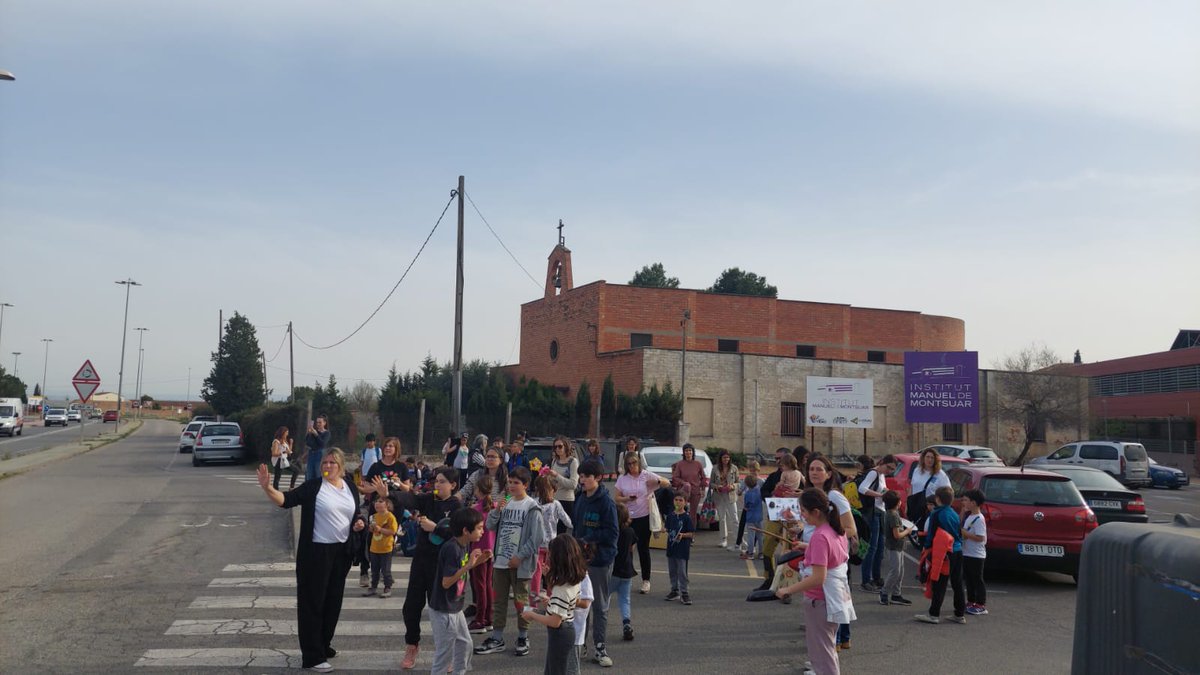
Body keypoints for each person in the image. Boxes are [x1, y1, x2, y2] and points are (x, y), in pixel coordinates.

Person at [255, 449, 365, 673]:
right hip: (316, 553)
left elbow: (355, 512)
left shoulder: (349, 487)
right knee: (312, 604)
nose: (327, 466)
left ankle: (323, 644)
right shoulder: (314, 487)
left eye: (332, 462)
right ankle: (312, 657)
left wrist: (359, 522)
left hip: (341, 553)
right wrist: (268, 488)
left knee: (333, 602)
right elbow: (286, 500)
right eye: (325, 462)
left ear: (341, 466)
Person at [383, 466, 463, 670]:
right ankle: (412, 645)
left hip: (442, 564)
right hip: (421, 560)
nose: (438, 485)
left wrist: (435, 528)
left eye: (442, 482)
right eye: (436, 481)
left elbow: (459, 535)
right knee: (411, 607)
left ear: (453, 485)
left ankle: (446, 652)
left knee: (441, 611)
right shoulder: (428, 499)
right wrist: (389, 494)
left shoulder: (457, 506)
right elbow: (410, 498)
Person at [775, 488, 853, 675]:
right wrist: (807, 546)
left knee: (822, 649)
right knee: (826, 646)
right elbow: (831, 553)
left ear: (816, 512)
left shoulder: (819, 536)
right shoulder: (836, 529)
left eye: (803, 511)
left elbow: (819, 577)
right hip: (835, 596)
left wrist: (788, 590)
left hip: (820, 599)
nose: (801, 515)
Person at [476, 467, 545, 658]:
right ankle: (497, 637)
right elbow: (489, 525)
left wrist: (520, 557)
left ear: (525, 485)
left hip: (520, 564)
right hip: (501, 562)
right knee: (499, 601)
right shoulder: (505, 503)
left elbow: (536, 538)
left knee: (521, 601)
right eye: (510, 482)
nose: (512, 486)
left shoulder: (532, 507)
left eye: (516, 483)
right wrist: (497, 510)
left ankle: (523, 636)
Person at [805, 454, 858, 652]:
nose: (814, 473)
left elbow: (850, 529)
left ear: (828, 474)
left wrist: (826, 539)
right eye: (811, 469)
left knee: (833, 599)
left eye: (819, 469)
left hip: (832, 557)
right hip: (815, 553)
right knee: (831, 599)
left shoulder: (835, 497)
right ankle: (842, 639)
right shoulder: (811, 495)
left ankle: (835, 642)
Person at [429, 506, 491, 675]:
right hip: (444, 609)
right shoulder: (452, 549)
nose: (482, 532)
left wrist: (480, 561)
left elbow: (462, 567)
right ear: (465, 530)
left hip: (454, 606)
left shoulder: (464, 544)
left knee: (465, 644)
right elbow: (446, 582)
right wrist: (469, 566)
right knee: (444, 655)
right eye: (479, 528)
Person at [573, 460, 619, 668]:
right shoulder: (580, 498)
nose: (582, 480)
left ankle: (600, 647)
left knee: (599, 606)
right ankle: (580, 643)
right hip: (581, 560)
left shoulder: (606, 503)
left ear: (598, 478)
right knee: (581, 604)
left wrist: (588, 539)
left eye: (586, 476)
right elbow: (576, 527)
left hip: (600, 561)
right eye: (581, 476)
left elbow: (612, 533)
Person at [522, 534, 587, 675]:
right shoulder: (572, 581)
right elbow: (571, 602)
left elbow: (554, 622)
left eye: (550, 555)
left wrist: (532, 615)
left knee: (555, 670)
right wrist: (550, 597)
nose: (548, 558)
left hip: (560, 634)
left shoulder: (560, 590)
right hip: (567, 630)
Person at [614, 452, 670, 595]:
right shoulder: (623, 478)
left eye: (634, 463)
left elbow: (666, 483)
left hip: (644, 516)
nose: (632, 466)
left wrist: (657, 482)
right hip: (628, 518)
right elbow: (616, 497)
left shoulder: (646, 475)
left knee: (643, 548)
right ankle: (626, 576)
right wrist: (627, 498)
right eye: (629, 464)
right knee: (626, 548)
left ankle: (646, 580)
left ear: (638, 463)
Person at [359, 437, 410, 586]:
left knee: (389, 539)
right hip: (377, 507)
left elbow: (407, 488)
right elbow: (365, 488)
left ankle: (384, 571)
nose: (388, 448)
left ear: (396, 449)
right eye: (386, 446)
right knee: (371, 537)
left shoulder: (401, 467)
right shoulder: (376, 467)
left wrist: (398, 483)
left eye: (391, 446)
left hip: (395, 508)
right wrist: (377, 488)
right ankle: (364, 571)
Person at [915, 486, 966, 625]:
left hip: (944, 551)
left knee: (939, 583)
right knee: (957, 583)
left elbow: (932, 534)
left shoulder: (936, 513)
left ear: (937, 499)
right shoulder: (954, 513)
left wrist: (926, 548)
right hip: (957, 550)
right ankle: (959, 614)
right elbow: (959, 532)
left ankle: (934, 614)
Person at [754, 448, 794, 590]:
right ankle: (769, 579)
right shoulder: (773, 476)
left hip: (792, 521)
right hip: (774, 517)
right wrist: (772, 497)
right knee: (767, 547)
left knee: (790, 550)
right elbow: (763, 491)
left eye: (780, 459)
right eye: (776, 459)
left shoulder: (797, 475)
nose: (778, 462)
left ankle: (788, 582)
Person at [531, 474, 573, 597]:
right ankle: (551, 599)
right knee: (551, 572)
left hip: (536, 544)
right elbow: (568, 522)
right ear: (554, 490)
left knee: (536, 573)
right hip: (552, 545)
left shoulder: (533, 503)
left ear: (537, 489)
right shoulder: (556, 504)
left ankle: (533, 601)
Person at [858, 454, 895, 592]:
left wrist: (886, 493)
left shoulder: (881, 475)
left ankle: (876, 578)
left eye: (892, 469)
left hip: (880, 511)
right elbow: (862, 488)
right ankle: (866, 581)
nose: (889, 471)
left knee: (879, 548)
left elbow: (881, 489)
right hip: (872, 512)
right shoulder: (873, 473)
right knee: (871, 548)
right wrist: (880, 495)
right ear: (882, 462)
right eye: (888, 467)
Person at [467, 476, 497, 634]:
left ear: (478, 489)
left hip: (478, 550)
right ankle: (488, 618)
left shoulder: (476, 509)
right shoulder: (495, 506)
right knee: (487, 585)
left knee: (479, 586)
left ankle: (480, 620)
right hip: (491, 549)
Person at [879, 490, 914, 606]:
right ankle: (884, 592)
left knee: (900, 571)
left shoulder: (890, 513)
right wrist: (907, 531)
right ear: (897, 503)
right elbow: (897, 535)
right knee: (895, 571)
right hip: (894, 547)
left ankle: (896, 594)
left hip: (897, 546)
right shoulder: (893, 515)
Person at [663, 490, 695, 605]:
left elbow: (691, 533)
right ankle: (674, 590)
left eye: (680, 500)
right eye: (676, 500)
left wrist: (683, 535)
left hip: (682, 549)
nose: (678, 502)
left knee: (682, 572)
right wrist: (662, 530)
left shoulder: (686, 517)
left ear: (685, 502)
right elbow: (667, 528)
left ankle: (684, 592)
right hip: (671, 548)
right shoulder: (671, 516)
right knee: (672, 570)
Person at [611, 503, 637, 640]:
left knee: (605, 596)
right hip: (627, 570)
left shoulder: (612, 531)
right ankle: (626, 623)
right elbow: (632, 548)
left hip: (613, 570)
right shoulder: (630, 532)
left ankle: (601, 618)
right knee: (625, 599)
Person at [363, 495, 398, 598]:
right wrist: (371, 528)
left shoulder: (390, 517)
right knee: (374, 570)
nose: (377, 504)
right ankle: (373, 587)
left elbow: (393, 531)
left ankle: (387, 587)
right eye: (376, 502)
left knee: (385, 570)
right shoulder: (373, 516)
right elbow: (372, 530)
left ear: (387, 505)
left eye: (380, 501)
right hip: (374, 547)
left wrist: (380, 529)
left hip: (386, 548)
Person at [961, 489, 989, 616]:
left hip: (976, 555)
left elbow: (980, 537)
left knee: (977, 579)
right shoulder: (970, 516)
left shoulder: (979, 519)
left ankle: (981, 604)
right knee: (969, 579)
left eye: (966, 500)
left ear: (973, 503)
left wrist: (965, 533)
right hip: (967, 553)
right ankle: (971, 601)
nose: (964, 502)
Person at [908, 448, 950, 528]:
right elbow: (912, 487)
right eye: (927, 457)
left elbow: (948, 493)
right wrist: (908, 504)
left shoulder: (940, 475)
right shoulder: (917, 471)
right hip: (916, 507)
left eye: (932, 458)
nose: (929, 460)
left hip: (930, 509)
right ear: (923, 458)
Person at [544, 435, 580, 527]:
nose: (557, 449)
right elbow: (552, 482)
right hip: (554, 499)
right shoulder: (555, 461)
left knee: (563, 530)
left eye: (560, 446)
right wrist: (546, 475)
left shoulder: (573, 462)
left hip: (566, 500)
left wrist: (556, 475)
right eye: (555, 447)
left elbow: (573, 484)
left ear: (566, 446)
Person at [709, 450, 739, 550]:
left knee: (734, 518)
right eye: (724, 457)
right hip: (719, 496)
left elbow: (738, 482)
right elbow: (711, 483)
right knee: (722, 518)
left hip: (731, 496)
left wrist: (733, 486)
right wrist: (717, 486)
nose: (726, 459)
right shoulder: (715, 468)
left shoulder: (734, 468)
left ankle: (737, 539)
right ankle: (723, 539)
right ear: (720, 458)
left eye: (727, 457)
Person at [671, 443, 708, 524]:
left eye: (690, 450)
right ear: (684, 453)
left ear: (693, 452)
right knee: (680, 510)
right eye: (686, 451)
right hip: (683, 491)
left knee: (693, 513)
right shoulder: (680, 464)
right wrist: (684, 483)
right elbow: (675, 477)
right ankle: (680, 528)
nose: (688, 452)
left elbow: (703, 477)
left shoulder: (698, 464)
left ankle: (691, 530)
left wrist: (703, 489)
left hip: (695, 491)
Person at [739, 472, 763, 560]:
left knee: (751, 535)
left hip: (751, 516)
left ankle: (750, 553)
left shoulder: (748, 494)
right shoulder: (759, 491)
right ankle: (761, 553)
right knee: (760, 535)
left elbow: (746, 506)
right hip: (759, 516)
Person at [270, 426, 299, 491]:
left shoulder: (285, 441)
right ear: (282, 433)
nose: (287, 434)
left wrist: (291, 443)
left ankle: (291, 487)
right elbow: (274, 453)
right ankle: (275, 491)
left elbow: (289, 451)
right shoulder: (276, 441)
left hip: (284, 460)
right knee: (277, 477)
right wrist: (283, 452)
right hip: (278, 461)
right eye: (286, 432)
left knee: (296, 470)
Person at [304, 415, 331, 482]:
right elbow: (308, 443)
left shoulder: (326, 433)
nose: (318, 424)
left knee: (318, 474)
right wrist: (309, 434)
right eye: (317, 422)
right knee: (309, 475)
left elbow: (322, 444)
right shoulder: (314, 431)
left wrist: (316, 435)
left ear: (324, 423)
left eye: (320, 422)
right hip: (311, 454)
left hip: (319, 454)